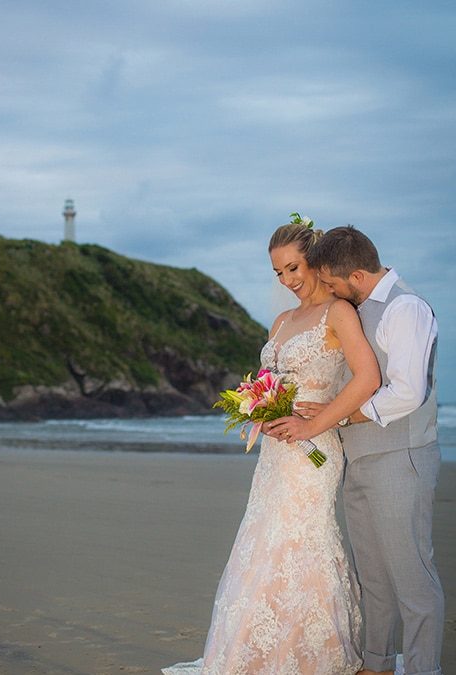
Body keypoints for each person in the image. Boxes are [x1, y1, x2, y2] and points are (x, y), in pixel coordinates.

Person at [162, 220, 380, 674]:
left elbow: (367, 379)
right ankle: (259, 650)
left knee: (303, 540)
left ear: (315, 259)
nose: (288, 280)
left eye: (294, 267)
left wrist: (315, 421)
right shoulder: (282, 321)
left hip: (314, 450)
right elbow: (270, 379)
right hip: (275, 452)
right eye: (278, 273)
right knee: (262, 541)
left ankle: (316, 653)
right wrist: (258, 406)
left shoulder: (339, 312)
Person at [271, 226, 443, 675]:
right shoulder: (357, 307)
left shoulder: (406, 309)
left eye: (330, 283)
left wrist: (339, 415)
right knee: (373, 574)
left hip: (400, 456)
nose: (325, 291)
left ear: (357, 276)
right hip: (357, 457)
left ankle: (425, 669)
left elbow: (408, 392)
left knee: (412, 576)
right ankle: (378, 663)